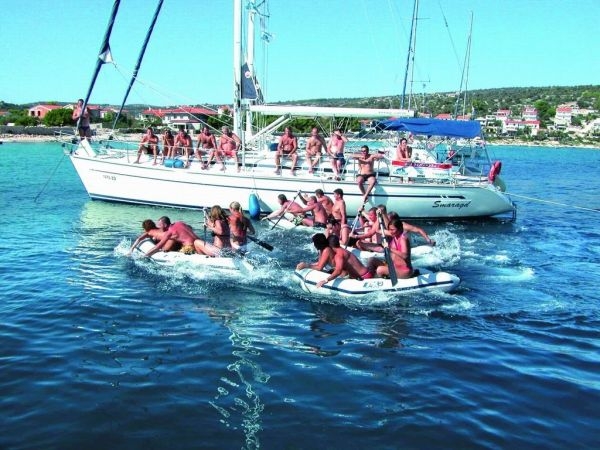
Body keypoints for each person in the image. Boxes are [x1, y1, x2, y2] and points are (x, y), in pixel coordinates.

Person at [145, 216, 219, 257]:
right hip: (198, 243)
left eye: (159, 225)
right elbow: (189, 228)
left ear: (165, 225)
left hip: (190, 248)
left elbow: (157, 246)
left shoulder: (169, 232)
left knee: (170, 250)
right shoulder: (180, 223)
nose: (158, 226)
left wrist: (146, 255)